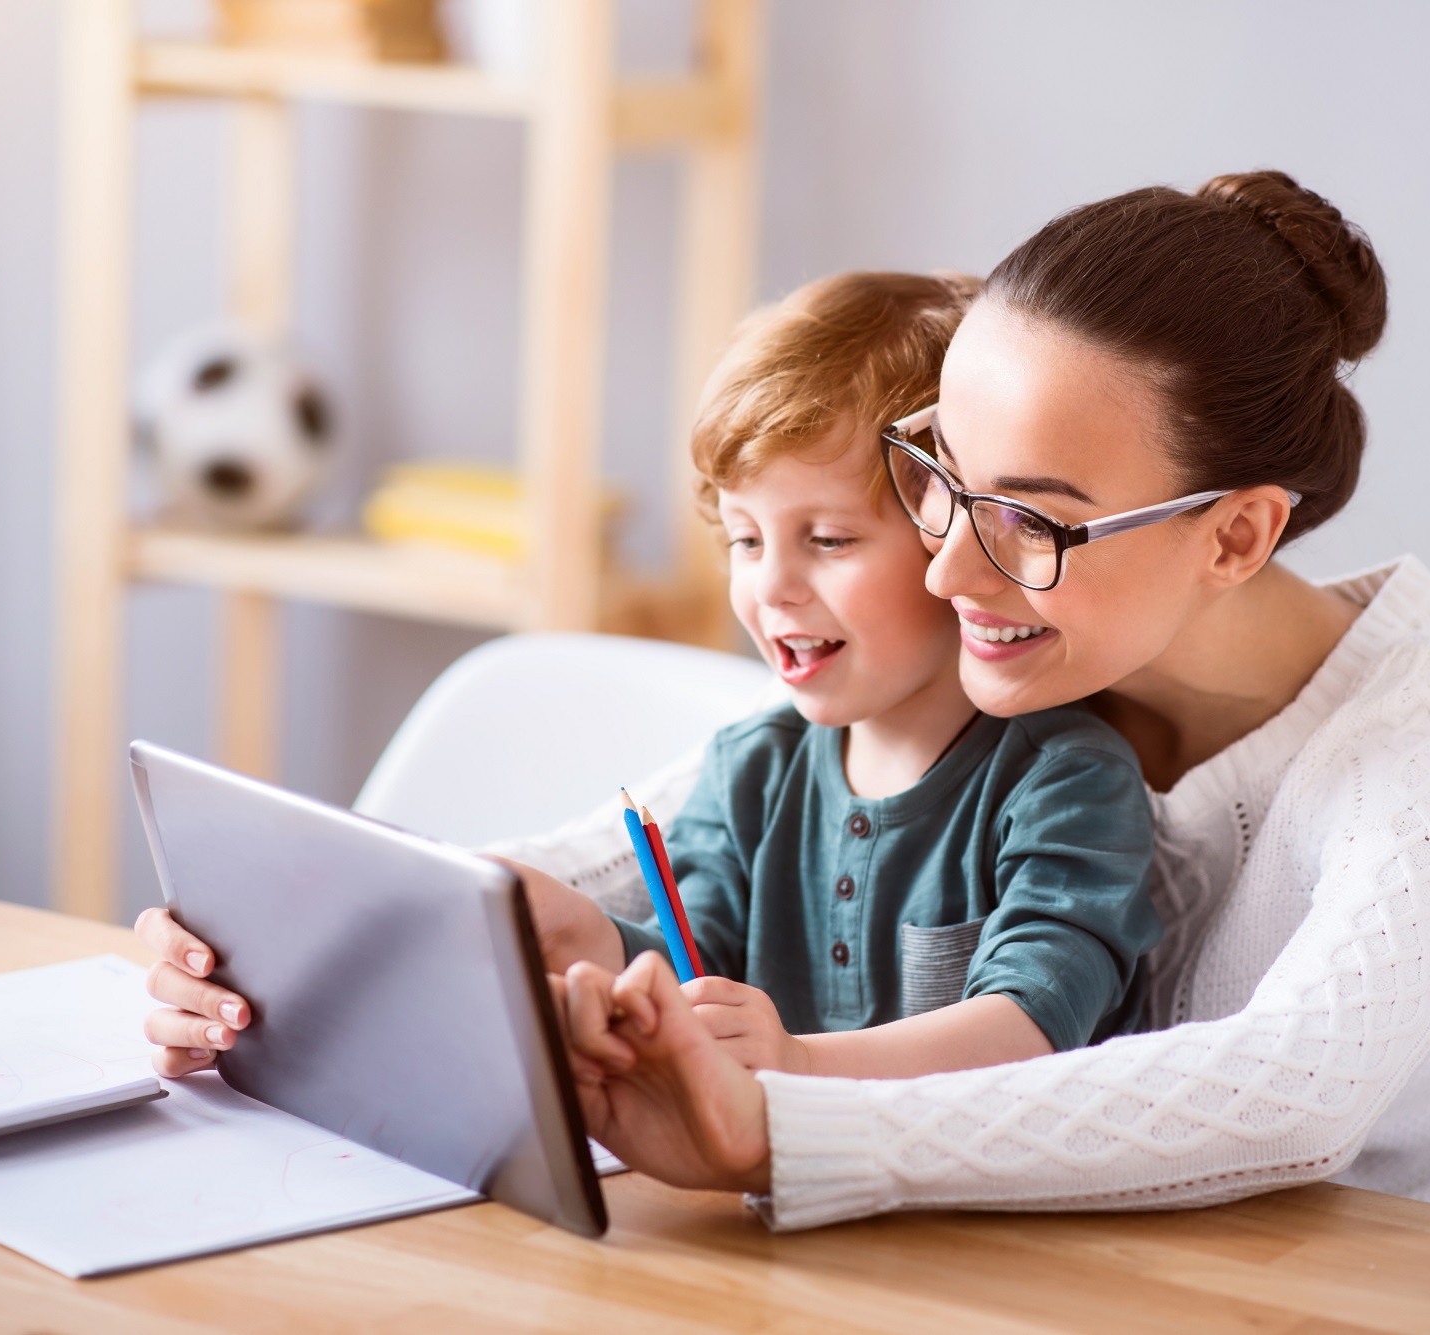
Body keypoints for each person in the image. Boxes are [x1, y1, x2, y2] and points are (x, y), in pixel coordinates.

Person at [143, 171, 1430, 1233]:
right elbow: (619, 854)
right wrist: (293, 946)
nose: (943, 567)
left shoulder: (1424, 729)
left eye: (1028, 520)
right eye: (938, 476)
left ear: (1234, 536)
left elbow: (1291, 1092)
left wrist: (784, 1115)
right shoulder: (1026, 652)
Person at [139, 270, 1164, 1090]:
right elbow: (697, 966)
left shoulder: (1065, 778)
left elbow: (1031, 1026)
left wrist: (797, 1063)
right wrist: (586, 935)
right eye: (744, 539)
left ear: (957, 534)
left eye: (828, 539)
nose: (771, 587)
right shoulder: (755, 765)